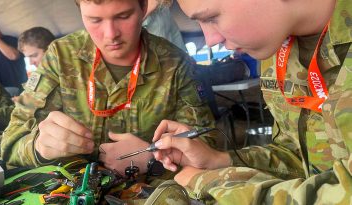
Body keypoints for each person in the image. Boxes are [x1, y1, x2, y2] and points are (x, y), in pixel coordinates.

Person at [149, 0, 352, 204]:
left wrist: (217, 184)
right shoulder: (279, 47)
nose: (210, 40)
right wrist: (220, 161)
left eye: (211, 18)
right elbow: (299, 157)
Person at [0, 0, 215, 178]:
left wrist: (153, 159)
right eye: (95, 20)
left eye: (123, 16)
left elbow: (207, 146)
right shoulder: (61, 56)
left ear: (143, 9)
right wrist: (38, 147)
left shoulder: (175, 64)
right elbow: (10, 144)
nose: (110, 34)